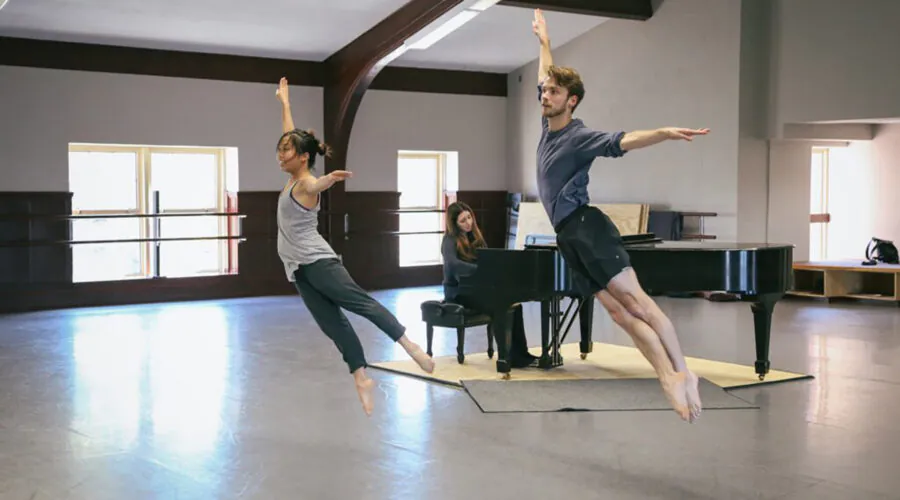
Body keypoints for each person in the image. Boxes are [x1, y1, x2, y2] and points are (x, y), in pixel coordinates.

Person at [530, 9, 708, 422]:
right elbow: (543, 72)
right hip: (567, 237)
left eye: (554, 92)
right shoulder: (546, 128)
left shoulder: (579, 137)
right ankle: (666, 375)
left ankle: (684, 372)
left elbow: (624, 140)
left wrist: (662, 133)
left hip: (587, 228)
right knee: (618, 314)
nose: (545, 95)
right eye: (545, 91)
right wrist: (544, 42)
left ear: (571, 100)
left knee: (638, 303)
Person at [274, 77, 434, 416]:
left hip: (319, 263)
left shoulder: (305, 183)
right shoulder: (292, 176)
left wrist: (328, 180)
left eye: (286, 150)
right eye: (280, 149)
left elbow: (314, 184)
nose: (280, 154)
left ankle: (411, 346)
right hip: (299, 270)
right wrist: (285, 104)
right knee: (332, 324)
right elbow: (292, 136)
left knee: (361, 304)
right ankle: (361, 376)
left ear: (302, 157)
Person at [440, 201, 538, 368]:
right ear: (454, 224)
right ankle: (504, 357)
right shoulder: (449, 240)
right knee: (500, 305)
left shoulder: (475, 236)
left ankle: (520, 354)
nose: (468, 223)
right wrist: (479, 269)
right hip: (457, 293)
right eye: (463, 221)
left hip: (475, 289)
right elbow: (453, 265)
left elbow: (487, 259)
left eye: (469, 217)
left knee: (515, 306)